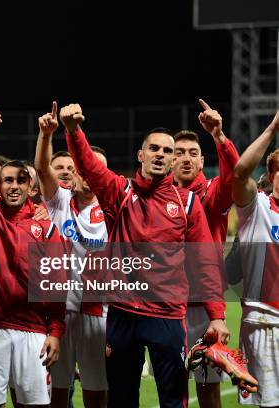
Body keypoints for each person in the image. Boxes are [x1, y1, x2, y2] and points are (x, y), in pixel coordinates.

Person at [59, 102, 229, 408]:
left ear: (173, 159)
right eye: (154, 148)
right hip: (123, 314)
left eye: (168, 151)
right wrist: (73, 130)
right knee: (122, 401)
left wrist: (217, 316)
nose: (161, 154)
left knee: (173, 402)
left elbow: (204, 263)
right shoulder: (120, 193)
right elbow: (89, 166)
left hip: (166, 317)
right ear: (142, 155)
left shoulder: (187, 203)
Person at [0, 123, 66, 407]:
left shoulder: (46, 229)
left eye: (21, 181)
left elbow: (56, 286)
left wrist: (55, 332)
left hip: (33, 330)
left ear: (32, 188)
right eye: (7, 180)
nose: (14, 186)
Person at [35, 102, 108, 408]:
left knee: (96, 392)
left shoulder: (114, 207)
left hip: (98, 311)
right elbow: (41, 168)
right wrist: (46, 134)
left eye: (97, 168)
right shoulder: (59, 201)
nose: (89, 174)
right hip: (57, 310)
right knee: (56, 392)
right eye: (84, 168)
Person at [171, 99, 240, 408]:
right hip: (167, 306)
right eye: (179, 152)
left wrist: (219, 137)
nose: (186, 158)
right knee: (171, 387)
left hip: (203, 307)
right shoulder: (159, 197)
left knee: (208, 390)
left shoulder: (212, 193)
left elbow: (233, 178)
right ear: (170, 160)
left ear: (201, 162)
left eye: (193, 153)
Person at [232, 110, 279, 407]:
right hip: (265, 324)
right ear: (272, 175)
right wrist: (273, 128)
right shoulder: (258, 208)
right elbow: (239, 173)